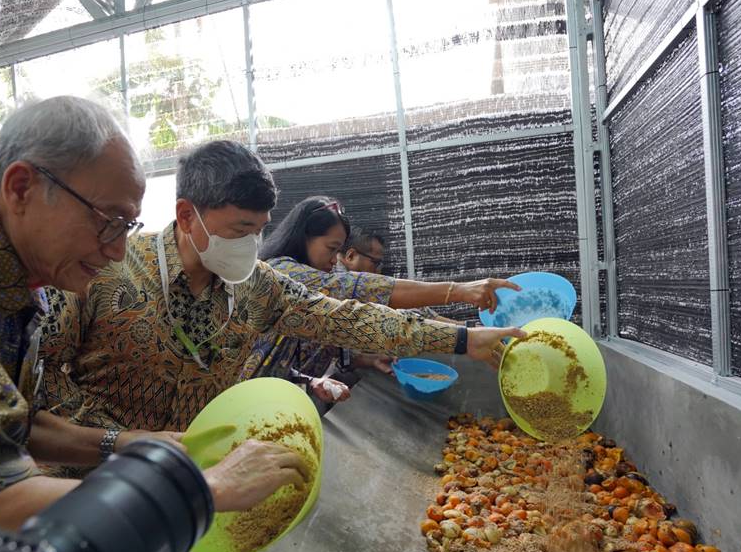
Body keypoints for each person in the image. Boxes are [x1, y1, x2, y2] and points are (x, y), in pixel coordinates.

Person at [0, 97, 305, 540]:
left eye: (128, 226)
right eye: (108, 220)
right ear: (22, 187)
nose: (117, 250)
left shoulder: (10, 283)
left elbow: (16, 423)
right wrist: (204, 487)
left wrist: (120, 443)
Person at [35, 140, 522, 472]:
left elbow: (344, 316)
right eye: (240, 230)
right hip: (85, 483)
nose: (251, 245)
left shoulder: (255, 285)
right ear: (188, 215)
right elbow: (40, 381)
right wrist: (120, 441)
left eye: (260, 231)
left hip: (191, 481)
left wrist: (463, 339)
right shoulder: (101, 271)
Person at [245, 195, 519, 402]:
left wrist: (362, 358)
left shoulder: (318, 288)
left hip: (285, 397)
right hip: (248, 400)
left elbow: (339, 328)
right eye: (331, 249)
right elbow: (362, 293)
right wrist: (458, 292)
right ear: (302, 238)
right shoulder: (281, 271)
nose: (334, 259)